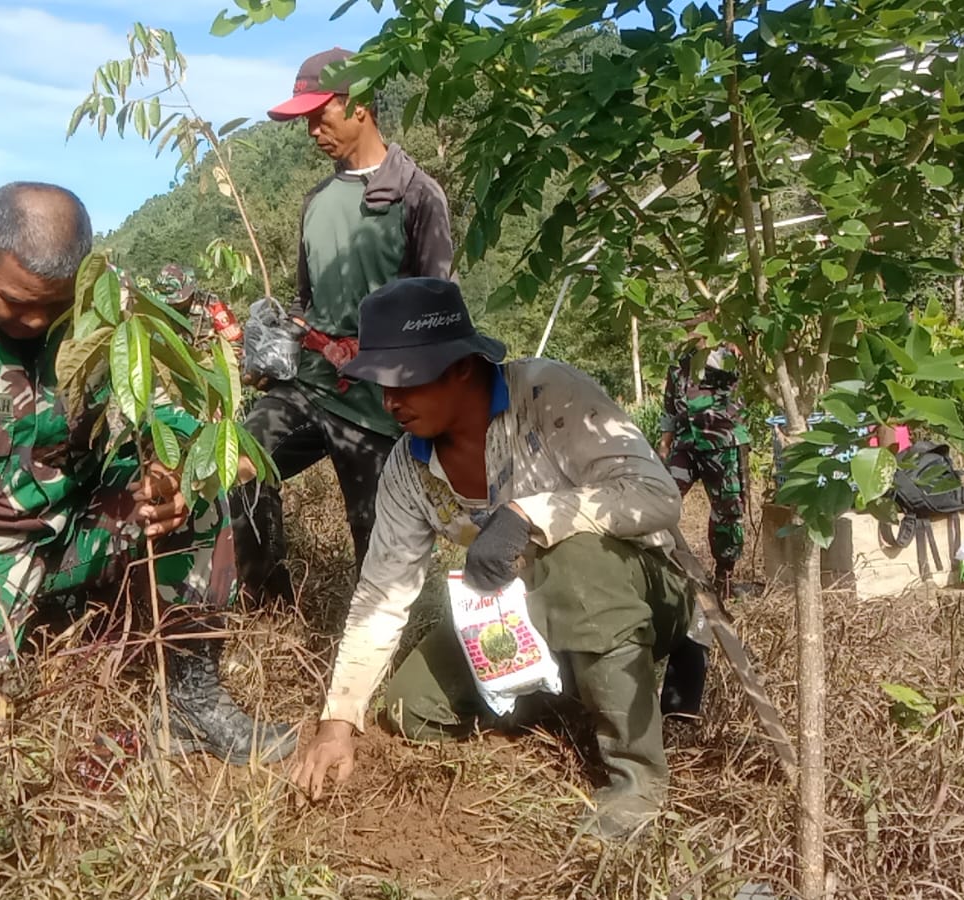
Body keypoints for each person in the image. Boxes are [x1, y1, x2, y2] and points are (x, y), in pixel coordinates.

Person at [0, 181, 295, 765]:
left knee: (197, 491)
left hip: (72, 528)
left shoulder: (110, 309)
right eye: (12, 301)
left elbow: (152, 414)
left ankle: (189, 700)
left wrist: (166, 468)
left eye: (54, 305)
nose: (33, 320)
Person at [291, 277, 705, 837]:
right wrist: (338, 719)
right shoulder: (407, 470)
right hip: (531, 604)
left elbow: (657, 497)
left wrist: (530, 515)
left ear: (461, 367)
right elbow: (382, 595)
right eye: (380, 383)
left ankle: (637, 782)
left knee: (578, 562)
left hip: (642, 582)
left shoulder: (548, 395)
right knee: (414, 709)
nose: (389, 401)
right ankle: (579, 679)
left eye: (404, 381)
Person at [230, 48, 454, 603]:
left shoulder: (416, 196)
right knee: (238, 466)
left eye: (318, 114)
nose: (310, 130)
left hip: (378, 407)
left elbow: (439, 315)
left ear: (358, 106)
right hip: (308, 385)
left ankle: (381, 657)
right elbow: (311, 302)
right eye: (303, 118)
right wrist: (277, 337)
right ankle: (269, 602)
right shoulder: (317, 202)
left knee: (378, 543)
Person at [657, 337, 750, 601]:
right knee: (660, 499)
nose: (688, 333)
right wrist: (665, 444)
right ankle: (666, 569)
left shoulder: (730, 354)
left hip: (722, 442)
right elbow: (669, 407)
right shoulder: (679, 361)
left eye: (694, 326)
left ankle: (725, 579)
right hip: (686, 444)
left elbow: (736, 374)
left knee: (727, 512)